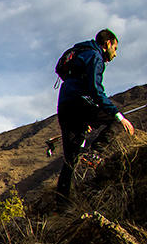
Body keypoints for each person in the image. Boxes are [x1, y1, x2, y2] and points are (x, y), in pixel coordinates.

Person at [55, 28, 136, 203]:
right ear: (107, 44)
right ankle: (95, 153)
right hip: (80, 104)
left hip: (65, 106)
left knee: (71, 158)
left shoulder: (79, 52)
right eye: (115, 48)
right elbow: (96, 89)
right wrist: (118, 115)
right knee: (116, 122)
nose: (115, 54)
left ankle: (60, 204)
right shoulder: (94, 56)